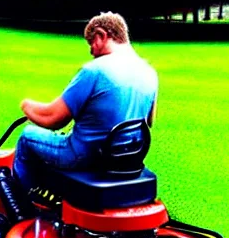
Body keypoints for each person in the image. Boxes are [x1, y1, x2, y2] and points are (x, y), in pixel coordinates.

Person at [12, 11, 158, 197]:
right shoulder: (149, 71)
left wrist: (26, 105)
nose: (91, 52)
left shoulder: (95, 70)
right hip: (127, 158)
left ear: (102, 35)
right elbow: (149, 120)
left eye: (91, 43)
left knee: (27, 136)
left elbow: (53, 119)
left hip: (86, 155)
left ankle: (20, 207)